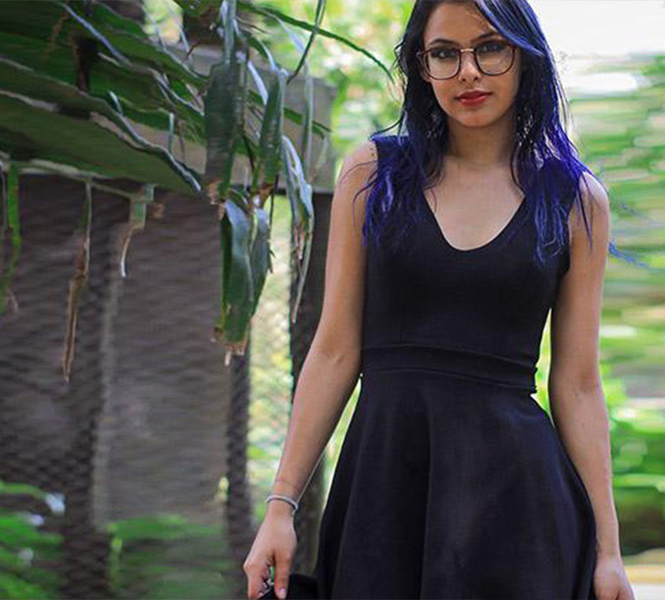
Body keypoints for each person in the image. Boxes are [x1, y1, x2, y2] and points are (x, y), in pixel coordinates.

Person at [244, 1, 636, 598]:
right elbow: (333, 350)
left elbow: (578, 383)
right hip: (384, 485)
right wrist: (281, 506)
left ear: (524, 57)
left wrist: (609, 551)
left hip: (517, 501)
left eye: (490, 48)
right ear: (422, 69)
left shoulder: (577, 200)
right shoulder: (374, 174)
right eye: (445, 54)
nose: (469, 72)